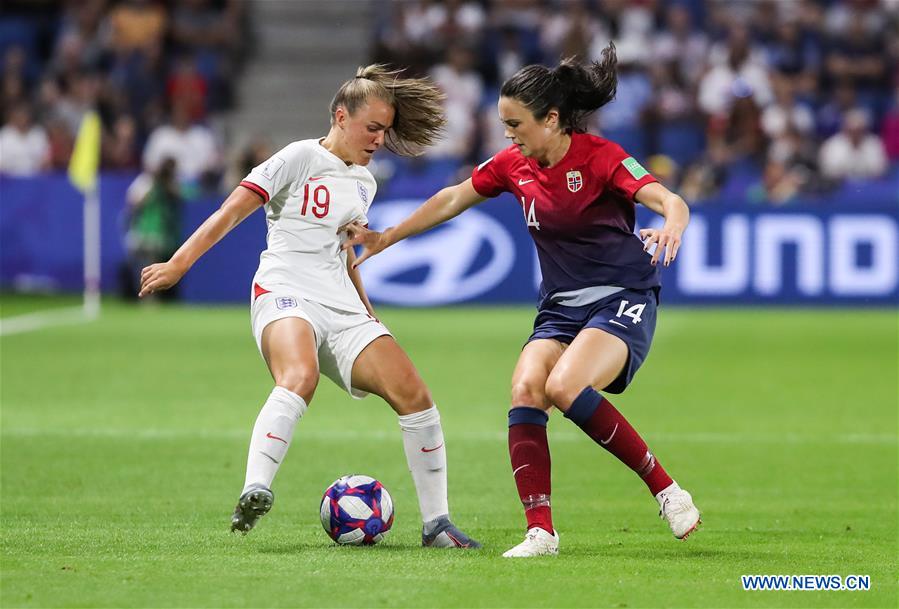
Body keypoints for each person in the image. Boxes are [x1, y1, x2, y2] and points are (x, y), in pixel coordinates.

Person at [343, 45, 701, 558]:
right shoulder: (515, 164)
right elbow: (452, 198)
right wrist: (387, 237)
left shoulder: (602, 157)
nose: (508, 135)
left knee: (564, 385)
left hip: (623, 297)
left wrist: (673, 224)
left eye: (515, 124)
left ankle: (667, 491)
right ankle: (541, 532)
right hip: (560, 308)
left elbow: (671, 200)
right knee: (527, 389)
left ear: (552, 119)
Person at [138, 65, 480, 549]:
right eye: (373, 128)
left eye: (385, 130)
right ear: (341, 117)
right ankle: (255, 487)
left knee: (415, 395)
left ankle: (437, 525)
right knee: (300, 377)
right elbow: (230, 212)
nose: (380, 139)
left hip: (340, 302)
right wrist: (178, 263)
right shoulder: (298, 157)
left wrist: (368, 309)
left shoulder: (365, 182)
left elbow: (345, 250)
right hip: (285, 288)